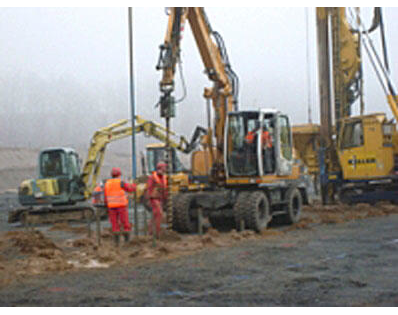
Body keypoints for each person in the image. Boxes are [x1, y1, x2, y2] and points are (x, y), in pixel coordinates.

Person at [104, 167, 136, 246]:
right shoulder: (121, 182)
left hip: (111, 206)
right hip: (121, 205)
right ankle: (126, 241)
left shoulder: (107, 183)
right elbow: (129, 189)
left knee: (114, 224)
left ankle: (116, 243)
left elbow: (105, 196)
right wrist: (134, 186)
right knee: (125, 222)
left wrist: (106, 205)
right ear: (119, 175)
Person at [146, 161, 168, 239]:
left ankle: (151, 232)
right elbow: (149, 188)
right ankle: (156, 234)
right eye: (164, 167)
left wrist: (165, 199)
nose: (165, 169)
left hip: (160, 199)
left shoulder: (164, 177)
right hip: (154, 198)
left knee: (155, 215)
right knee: (159, 214)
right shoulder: (152, 177)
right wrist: (148, 199)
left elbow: (165, 189)